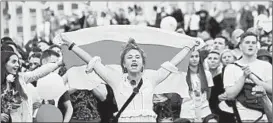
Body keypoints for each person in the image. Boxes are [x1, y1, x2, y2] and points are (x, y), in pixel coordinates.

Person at [60, 34, 199, 122]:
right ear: (124, 64)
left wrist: (189, 47)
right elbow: (93, 62)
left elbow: (173, 63)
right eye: (130, 57)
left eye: (137, 57)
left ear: (143, 64)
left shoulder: (151, 80)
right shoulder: (116, 81)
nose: (134, 60)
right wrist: (71, 44)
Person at [219, 32, 272, 122]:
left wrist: (253, 78)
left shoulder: (266, 65)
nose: (250, 45)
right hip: (242, 117)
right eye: (247, 42)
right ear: (240, 46)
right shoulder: (231, 67)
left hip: (265, 116)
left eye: (253, 43)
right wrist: (243, 77)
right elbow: (230, 95)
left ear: (257, 46)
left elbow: (271, 89)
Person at [1, 51, 62, 122]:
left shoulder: (21, 78)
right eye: (13, 62)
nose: (17, 65)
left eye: (18, 62)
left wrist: (58, 64)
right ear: (4, 63)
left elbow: (37, 73)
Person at [36, 49, 73, 122]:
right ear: (44, 62)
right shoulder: (32, 80)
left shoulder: (58, 82)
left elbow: (69, 107)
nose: (56, 67)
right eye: (53, 63)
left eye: (58, 65)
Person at [179, 50, 214, 122]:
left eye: (196, 56)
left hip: (204, 110)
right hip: (187, 111)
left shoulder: (207, 74)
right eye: (191, 57)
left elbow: (208, 94)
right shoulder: (182, 75)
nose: (194, 59)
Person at [209, 49, 237, 123]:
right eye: (224, 57)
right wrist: (218, 97)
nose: (227, 59)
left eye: (229, 56)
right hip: (222, 108)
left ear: (234, 58)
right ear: (221, 61)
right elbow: (212, 97)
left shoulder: (240, 72)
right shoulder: (217, 78)